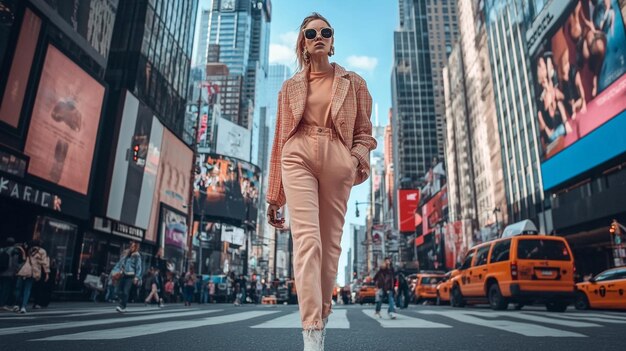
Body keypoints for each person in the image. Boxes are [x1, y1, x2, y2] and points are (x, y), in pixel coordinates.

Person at [266, 12, 377, 351]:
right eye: (311, 32)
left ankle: (323, 313)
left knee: (330, 249)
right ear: (302, 42)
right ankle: (312, 333)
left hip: (337, 156)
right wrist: (275, 195)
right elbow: (280, 137)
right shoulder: (291, 87)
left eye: (325, 31)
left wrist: (353, 159)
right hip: (297, 153)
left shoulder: (353, 82)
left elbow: (364, 133)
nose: (319, 36)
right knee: (307, 242)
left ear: (332, 41)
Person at [13, 240, 50, 314]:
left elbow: (22, 259)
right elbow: (45, 263)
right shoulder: (42, 251)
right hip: (33, 271)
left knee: (19, 288)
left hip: (23, 270)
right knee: (27, 289)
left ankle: (17, 304)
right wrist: (47, 273)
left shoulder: (28, 249)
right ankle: (23, 307)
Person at [111, 241, 143, 313]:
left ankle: (122, 306)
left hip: (131, 276)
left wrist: (136, 277)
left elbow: (139, 268)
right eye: (131, 246)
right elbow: (120, 263)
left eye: (133, 246)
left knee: (126, 291)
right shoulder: (127, 255)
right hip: (123, 275)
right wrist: (115, 272)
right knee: (119, 290)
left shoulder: (137, 256)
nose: (131, 248)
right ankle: (122, 304)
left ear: (136, 247)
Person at [0, 237, 18, 310]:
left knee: (1, 287)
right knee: (6, 289)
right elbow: (15, 262)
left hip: (1, 271)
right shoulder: (14, 250)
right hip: (8, 272)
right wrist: (15, 271)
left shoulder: (1, 249)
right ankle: (2, 304)